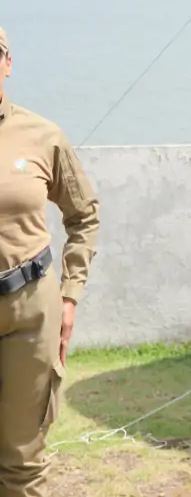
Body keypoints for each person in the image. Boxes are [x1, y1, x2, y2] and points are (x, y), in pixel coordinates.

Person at [0, 25, 100, 496]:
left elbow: (84, 214)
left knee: (22, 457)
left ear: (8, 63)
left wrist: (70, 295)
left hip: (30, 309)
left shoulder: (42, 135)